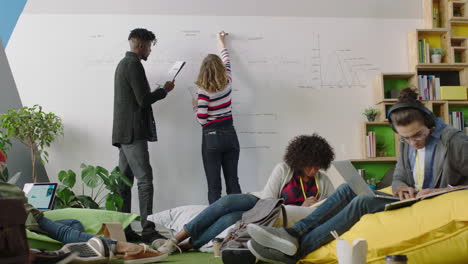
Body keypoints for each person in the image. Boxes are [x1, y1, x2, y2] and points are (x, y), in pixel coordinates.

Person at [245, 88, 468, 264]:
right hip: (410, 196)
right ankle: (292, 233)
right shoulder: (406, 143)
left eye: (418, 135)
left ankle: (295, 252)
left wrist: (442, 191)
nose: (413, 142)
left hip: (431, 199)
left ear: (429, 122)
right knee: (347, 189)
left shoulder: (453, 141)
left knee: (362, 201)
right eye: (406, 138)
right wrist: (400, 186)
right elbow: (400, 175)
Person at [156, 134, 336, 254]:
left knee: (230, 219)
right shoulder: (284, 169)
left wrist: (304, 209)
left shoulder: (323, 181)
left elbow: (332, 205)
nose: (313, 170)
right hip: (260, 203)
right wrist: (297, 206)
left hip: (278, 216)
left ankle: (187, 245)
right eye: (309, 165)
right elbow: (268, 199)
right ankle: (175, 239)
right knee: (226, 203)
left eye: (317, 165)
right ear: (300, 160)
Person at [0, 150, 167, 264]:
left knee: (72, 223)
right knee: (64, 231)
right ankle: (120, 246)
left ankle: (86, 245)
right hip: (27, 218)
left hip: (31, 215)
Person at [112, 28, 175, 243]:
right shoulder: (133, 65)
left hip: (123, 133)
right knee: (145, 181)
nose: (150, 50)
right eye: (149, 46)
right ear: (141, 45)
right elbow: (144, 100)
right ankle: (148, 230)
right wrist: (164, 90)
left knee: (124, 183)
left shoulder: (124, 64)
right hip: (133, 133)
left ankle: (125, 230)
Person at [192, 31, 241, 204]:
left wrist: (195, 106)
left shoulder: (203, 91)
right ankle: (239, 221)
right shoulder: (228, 80)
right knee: (233, 182)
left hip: (211, 138)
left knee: (214, 186)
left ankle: (215, 225)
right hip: (230, 134)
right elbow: (227, 59)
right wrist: (222, 41)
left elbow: (202, 120)